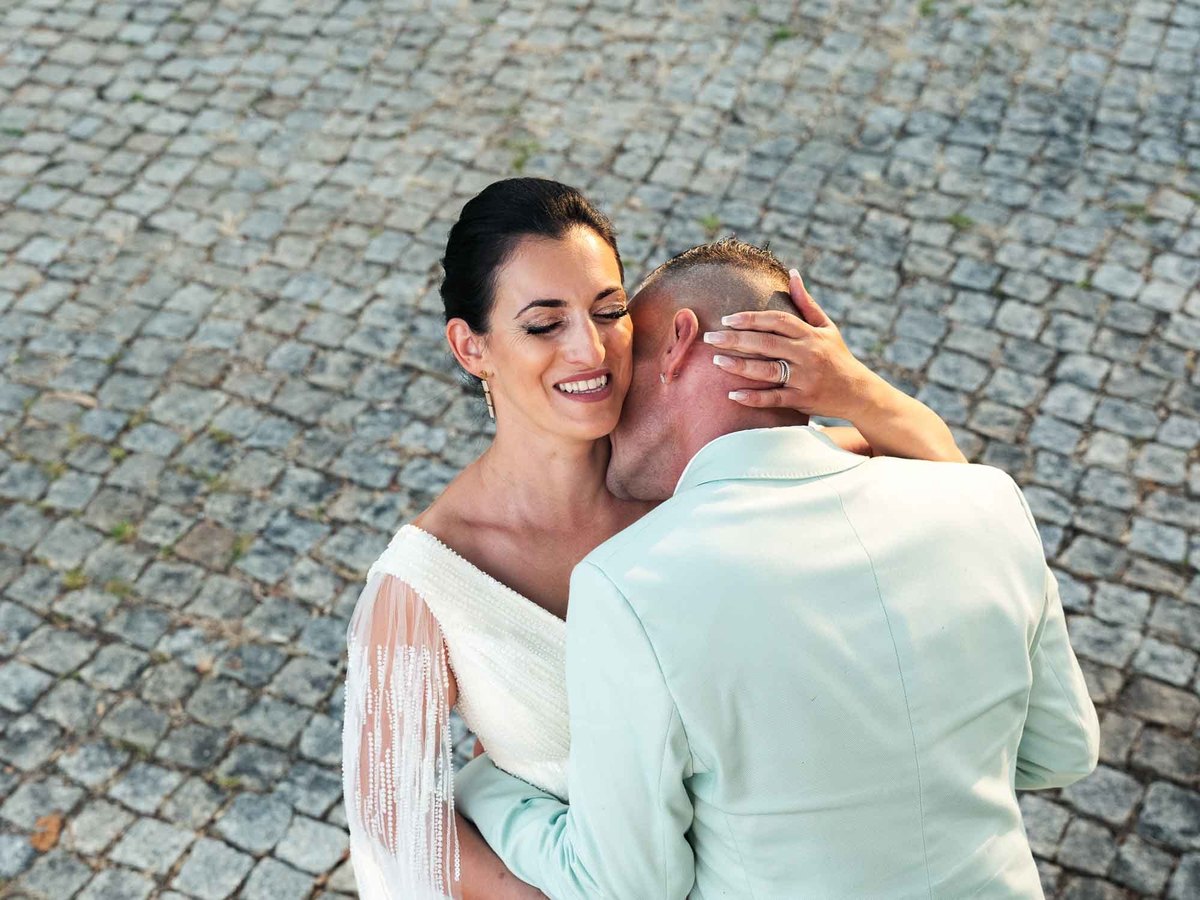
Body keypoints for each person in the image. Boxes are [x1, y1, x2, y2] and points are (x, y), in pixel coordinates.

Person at [340, 179, 967, 900]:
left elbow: (946, 482)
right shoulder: (427, 584)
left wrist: (853, 387)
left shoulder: (705, 469)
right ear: (471, 346)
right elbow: (397, 824)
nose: (590, 349)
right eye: (545, 325)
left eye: (609, 311)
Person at [453, 239, 1101, 899]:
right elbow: (1063, 750)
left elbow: (626, 886)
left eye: (627, 359)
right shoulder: (984, 501)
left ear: (677, 344)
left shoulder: (630, 587)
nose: (608, 413)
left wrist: (490, 787)